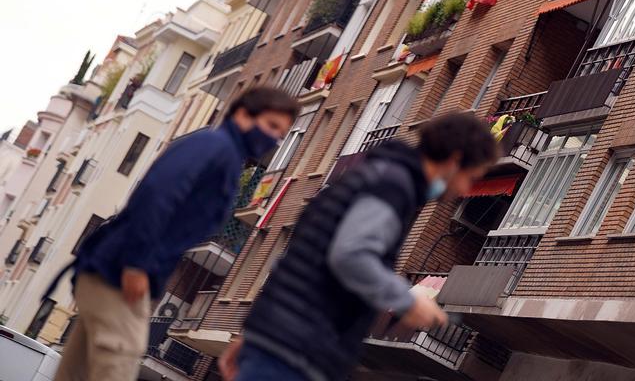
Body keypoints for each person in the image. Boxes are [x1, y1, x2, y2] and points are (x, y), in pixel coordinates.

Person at [219, 110, 499, 381]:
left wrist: (256, 333)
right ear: (454, 160)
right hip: (301, 348)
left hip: (279, 337)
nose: (464, 189)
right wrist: (407, 300)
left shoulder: (371, 176)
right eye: (470, 177)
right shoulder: (393, 187)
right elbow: (351, 255)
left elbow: (301, 257)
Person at [53, 87, 299, 381]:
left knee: (78, 372)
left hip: (113, 267)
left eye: (280, 134)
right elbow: (156, 194)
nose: (273, 138)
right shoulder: (214, 147)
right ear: (244, 114)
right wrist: (137, 264)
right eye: (271, 126)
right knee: (119, 361)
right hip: (119, 270)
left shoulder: (225, 157)